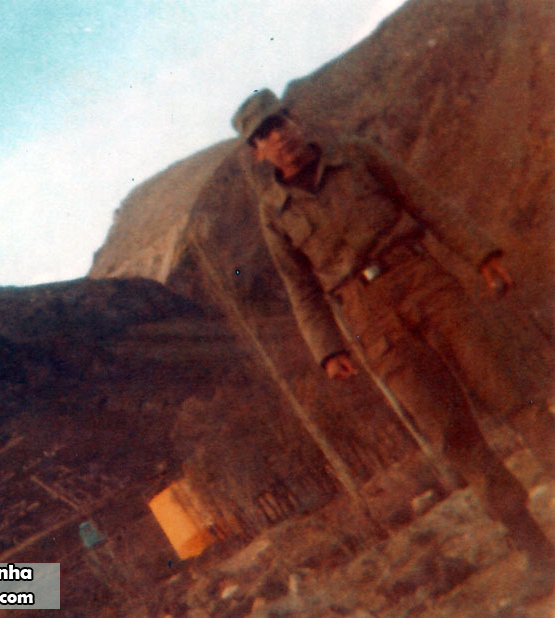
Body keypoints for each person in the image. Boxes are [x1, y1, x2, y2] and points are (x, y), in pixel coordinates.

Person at [232, 88, 555, 598]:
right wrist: (328, 349)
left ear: (295, 121)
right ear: (256, 154)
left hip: (423, 280)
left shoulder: (356, 155)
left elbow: (424, 200)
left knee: (510, 392)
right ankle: (538, 552)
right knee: (452, 435)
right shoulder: (274, 213)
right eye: (264, 135)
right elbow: (301, 288)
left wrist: (481, 253)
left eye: (279, 123)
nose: (278, 137)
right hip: (369, 319)